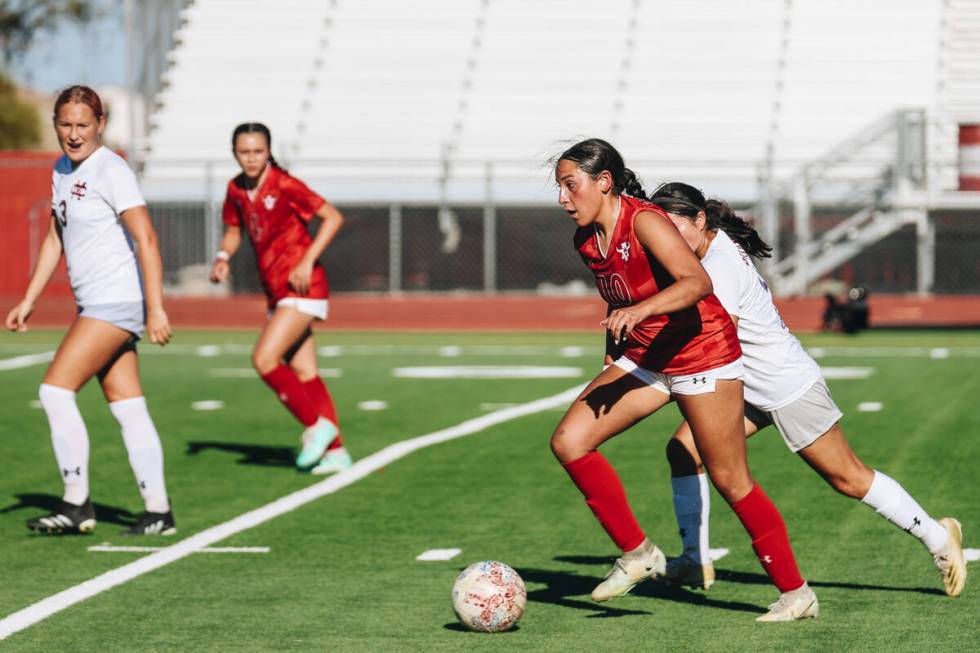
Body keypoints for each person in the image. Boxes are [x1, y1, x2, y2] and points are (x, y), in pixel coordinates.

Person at [653, 182, 966, 598]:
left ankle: (939, 539)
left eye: (675, 228)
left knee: (848, 477)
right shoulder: (711, 246)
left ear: (700, 220)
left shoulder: (718, 268)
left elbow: (706, 337)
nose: (667, 242)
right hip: (745, 385)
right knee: (684, 449)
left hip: (785, 385)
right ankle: (694, 559)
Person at [551, 139, 818, 621]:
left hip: (703, 354)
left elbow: (697, 282)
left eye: (571, 186)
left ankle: (797, 593)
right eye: (560, 188)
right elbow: (619, 300)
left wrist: (638, 311)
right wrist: (613, 353)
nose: (563, 199)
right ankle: (638, 554)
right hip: (649, 358)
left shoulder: (646, 220)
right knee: (570, 441)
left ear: (604, 182)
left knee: (731, 479)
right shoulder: (587, 239)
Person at [5, 85, 177, 536]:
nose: (74, 134)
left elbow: (146, 239)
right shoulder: (61, 170)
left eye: (84, 125)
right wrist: (30, 298)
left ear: (100, 124)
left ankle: (76, 503)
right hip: (99, 302)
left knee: (55, 392)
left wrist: (155, 308)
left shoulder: (111, 170)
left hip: (114, 302)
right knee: (127, 406)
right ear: (56, 124)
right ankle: (159, 511)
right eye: (66, 124)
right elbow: (54, 238)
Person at [209, 123, 350, 474]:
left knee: (264, 358)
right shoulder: (236, 189)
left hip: (302, 288)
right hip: (276, 291)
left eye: (258, 151)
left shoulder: (285, 184)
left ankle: (316, 426)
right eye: (245, 152)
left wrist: (307, 260)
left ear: (269, 151)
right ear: (235, 154)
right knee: (304, 371)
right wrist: (223, 258)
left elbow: (332, 217)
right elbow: (233, 231)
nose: (252, 158)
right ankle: (336, 453)